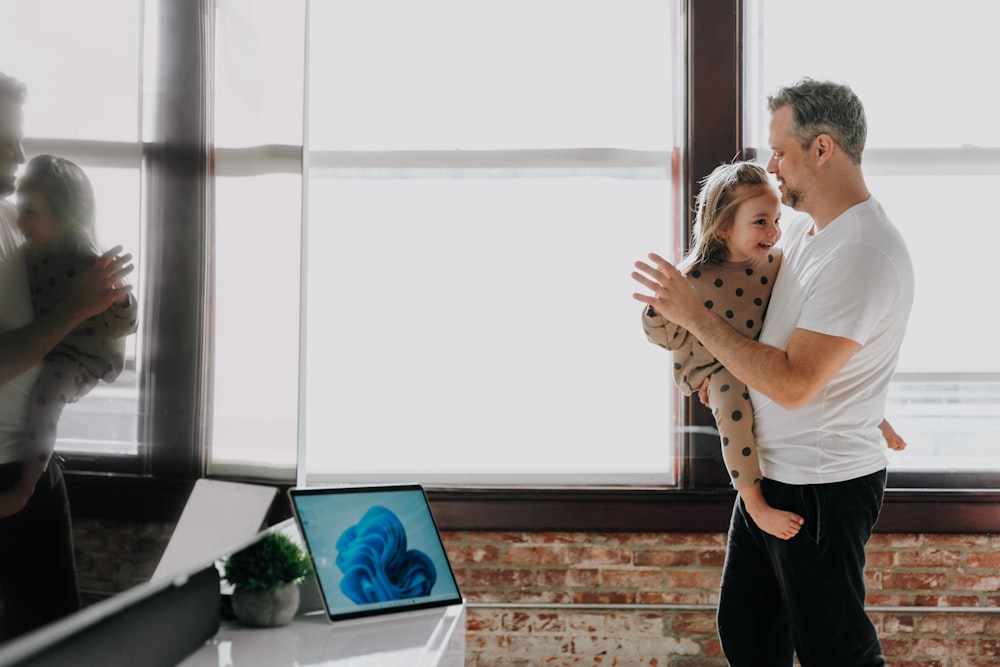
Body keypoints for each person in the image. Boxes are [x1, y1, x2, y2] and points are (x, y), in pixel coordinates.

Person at [632, 79, 914, 666]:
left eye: (781, 151)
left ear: (822, 149)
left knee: (835, 652)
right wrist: (696, 357)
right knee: (749, 632)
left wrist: (696, 317)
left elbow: (792, 381)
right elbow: (772, 331)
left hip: (820, 487)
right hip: (772, 474)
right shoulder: (807, 232)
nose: (772, 165)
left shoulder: (861, 253)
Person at [640, 160, 905, 542]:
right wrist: (655, 308)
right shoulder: (694, 278)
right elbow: (663, 336)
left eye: (777, 219)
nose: (774, 231)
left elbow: (817, 343)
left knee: (814, 354)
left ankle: (873, 418)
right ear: (724, 226)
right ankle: (754, 503)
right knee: (732, 400)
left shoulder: (775, 262)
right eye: (761, 222)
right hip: (714, 367)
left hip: (757, 352)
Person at [0, 71, 133, 640]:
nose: (19, 152)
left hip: (35, 466)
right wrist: (77, 309)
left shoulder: (16, 221)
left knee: (59, 643)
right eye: (6, 136)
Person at [15, 153, 138, 481]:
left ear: (64, 215)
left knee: (47, 397)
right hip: (56, 344)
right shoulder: (30, 253)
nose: (20, 222)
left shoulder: (89, 261)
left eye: (29, 213)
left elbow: (127, 323)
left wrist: (121, 297)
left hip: (85, 357)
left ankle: (26, 485)